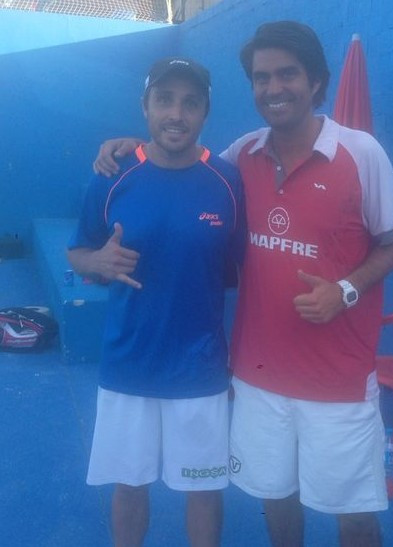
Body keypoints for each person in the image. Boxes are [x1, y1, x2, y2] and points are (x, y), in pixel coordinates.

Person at [93, 21, 393, 547]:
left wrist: (345, 291)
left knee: (354, 517)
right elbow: (179, 157)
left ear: (316, 82)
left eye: (287, 74)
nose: (273, 87)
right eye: (262, 78)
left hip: (339, 381)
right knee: (276, 502)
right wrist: (133, 146)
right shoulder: (241, 157)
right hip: (258, 379)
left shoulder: (362, 153)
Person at [68, 57, 245, 547]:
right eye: (164, 100)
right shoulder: (112, 175)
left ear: (205, 112)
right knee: (129, 487)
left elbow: (242, 269)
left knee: (204, 490)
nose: (176, 114)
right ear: (145, 106)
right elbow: (78, 251)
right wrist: (98, 262)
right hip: (129, 364)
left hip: (201, 369)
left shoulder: (228, 182)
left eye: (190, 103)